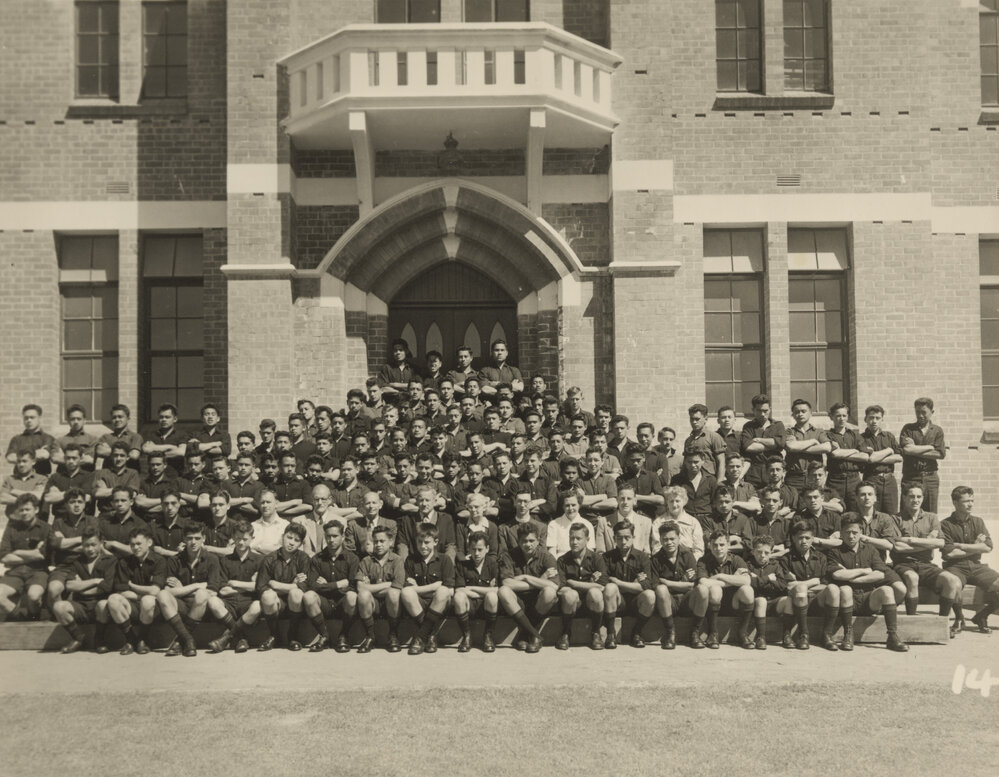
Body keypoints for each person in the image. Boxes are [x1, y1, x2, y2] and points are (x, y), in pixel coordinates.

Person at [827, 515, 908, 652]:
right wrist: (865, 571)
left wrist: (851, 576)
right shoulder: (834, 552)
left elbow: (880, 573)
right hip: (847, 600)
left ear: (861, 532)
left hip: (867, 599)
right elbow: (837, 574)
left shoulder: (870, 550)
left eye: (855, 532)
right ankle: (848, 634)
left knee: (887, 590)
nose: (851, 536)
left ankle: (892, 636)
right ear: (841, 533)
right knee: (846, 589)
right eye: (847, 532)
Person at [891, 483, 961, 618]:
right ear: (904, 498)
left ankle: (942, 622)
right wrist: (928, 542)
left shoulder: (932, 517)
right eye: (911, 496)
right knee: (912, 577)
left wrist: (911, 540)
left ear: (923, 498)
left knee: (951, 580)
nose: (915, 500)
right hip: (903, 564)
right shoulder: (895, 518)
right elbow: (898, 547)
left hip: (926, 565)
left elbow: (941, 542)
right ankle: (912, 620)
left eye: (919, 496)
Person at [156, 522, 224, 657]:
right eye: (189, 538)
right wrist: (196, 586)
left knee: (202, 594)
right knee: (162, 595)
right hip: (181, 605)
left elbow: (212, 591)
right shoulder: (175, 560)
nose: (193, 542)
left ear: (204, 538)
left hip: (202, 607)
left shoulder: (212, 559)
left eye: (197, 538)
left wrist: (183, 589)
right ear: (184, 539)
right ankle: (188, 640)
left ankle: (181, 641)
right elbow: (168, 591)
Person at [940, 485, 999, 637]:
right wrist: (975, 546)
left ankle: (982, 616)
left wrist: (960, 545)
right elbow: (950, 553)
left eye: (972, 500)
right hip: (955, 567)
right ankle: (959, 618)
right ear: (955, 502)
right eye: (966, 501)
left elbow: (988, 547)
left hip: (977, 566)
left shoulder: (978, 522)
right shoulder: (945, 524)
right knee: (954, 584)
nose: (970, 504)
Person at [776, 521, 842, 651]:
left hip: (817, 601)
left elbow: (825, 584)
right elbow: (788, 586)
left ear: (812, 539)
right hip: (796, 603)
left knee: (833, 589)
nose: (804, 541)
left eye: (807, 538)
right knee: (800, 590)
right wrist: (813, 582)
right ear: (794, 538)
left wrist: (801, 584)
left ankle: (827, 635)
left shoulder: (821, 558)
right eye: (800, 538)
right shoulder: (786, 559)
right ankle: (804, 634)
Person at [51, 528, 116, 654]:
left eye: (93, 545)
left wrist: (81, 586)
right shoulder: (77, 561)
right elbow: (69, 585)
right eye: (86, 545)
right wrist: (95, 581)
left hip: (100, 605)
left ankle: (99, 639)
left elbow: (107, 587)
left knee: (103, 605)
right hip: (81, 606)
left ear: (101, 544)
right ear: (82, 545)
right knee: (59, 606)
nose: (90, 549)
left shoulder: (110, 561)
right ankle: (77, 637)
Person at [106, 526, 167, 655]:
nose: (135, 547)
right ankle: (131, 639)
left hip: (153, 609)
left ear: (149, 543)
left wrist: (133, 587)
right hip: (133, 606)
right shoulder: (124, 562)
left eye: (139, 544)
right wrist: (141, 594)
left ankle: (143, 639)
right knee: (113, 600)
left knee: (148, 600)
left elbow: (155, 590)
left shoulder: (159, 561)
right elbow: (122, 591)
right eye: (132, 544)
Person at [303, 521, 360, 653]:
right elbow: (312, 586)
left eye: (335, 536)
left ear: (343, 537)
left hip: (342, 602)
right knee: (308, 596)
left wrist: (325, 585)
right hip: (324, 602)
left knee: (352, 596)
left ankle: (343, 636)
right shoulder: (317, 559)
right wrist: (337, 584)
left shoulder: (352, 559)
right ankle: (324, 636)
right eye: (328, 536)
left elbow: (352, 586)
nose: (331, 540)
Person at [207, 520, 264, 654]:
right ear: (233, 538)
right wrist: (250, 585)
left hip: (248, 602)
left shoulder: (260, 560)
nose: (241, 542)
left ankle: (226, 638)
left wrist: (236, 583)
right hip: (230, 602)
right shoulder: (225, 560)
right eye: (238, 538)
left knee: (257, 606)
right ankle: (241, 638)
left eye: (245, 539)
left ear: (252, 539)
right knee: (213, 601)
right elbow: (223, 590)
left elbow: (260, 587)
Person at [255, 522, 312, 651]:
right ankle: (275, 635)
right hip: (277, 604)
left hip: (297, 605)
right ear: (282, 537)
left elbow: (304, 587)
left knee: (296, 593)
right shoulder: (269, 559)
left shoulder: (304, 559)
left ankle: (293, 636)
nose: (291, 542)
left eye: (296, 540)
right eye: (289, 537)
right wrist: (293, 585)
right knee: (268, 596)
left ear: (301, 544)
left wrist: (275, 584)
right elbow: (261, 587)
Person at [401, 522, 455, 656]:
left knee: (443, 591)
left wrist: (418, 588)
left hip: (439, 604)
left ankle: (419, 637)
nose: (423, 546)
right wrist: (433, 586)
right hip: (419, 604)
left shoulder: (444, 559)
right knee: (406, 592)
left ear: (435, 541)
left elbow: (450, 589)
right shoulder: (410, 560)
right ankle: (431, 636)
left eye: (427, 542)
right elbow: (407, 587)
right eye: (419, 542)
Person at [695, 530, 755, 649]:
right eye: (715, 545)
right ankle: (713, 633)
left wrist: (719, 576)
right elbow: (703, 582)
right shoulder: (703, 561)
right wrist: (733, 580)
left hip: (733, 603)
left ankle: (742, 633)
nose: (718, 548)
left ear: (728, 545)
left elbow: (747, 581)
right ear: (709, 546)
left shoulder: (737, 560)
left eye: (722, 545)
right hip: (712, 604)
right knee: (715, 589)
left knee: (747, 590)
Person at [602, 519, 655, 648]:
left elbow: (646, 585)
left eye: (627, 537)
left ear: (633, 537)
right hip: (617, 602)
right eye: (619, 538)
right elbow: (604, 582)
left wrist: (618, 582)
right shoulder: (607, 557)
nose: (623, 542)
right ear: (614, 538)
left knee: (650, 595)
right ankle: (610, 633)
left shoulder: (642, 557)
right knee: (610, 587)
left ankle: (637, 633)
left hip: (636, 602)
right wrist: (634, 585)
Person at [555, 521, 608, 651]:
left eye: (578, 538)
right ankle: (566, 632)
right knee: (570, 594)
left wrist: (573, 583)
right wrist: (590, 584)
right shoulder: (562, 560)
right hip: (571, 604)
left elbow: (601, 586)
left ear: (587, 540)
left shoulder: (596, 559)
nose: (574, 542)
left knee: (595, 593)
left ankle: (596, 632)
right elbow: (561, 586)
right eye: (571, 538)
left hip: (592, 604)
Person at [650, 520, 703, 649]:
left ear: (679, 538)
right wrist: (682, 583)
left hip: (687, 600)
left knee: (703, 590)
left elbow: (693, 585)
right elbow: (657, 585)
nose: (669, 543)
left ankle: (695, 633)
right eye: (665, 539)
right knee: (662, 590)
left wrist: (668, 582)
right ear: (660, 540)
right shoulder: (655, 560)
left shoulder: (688, 555)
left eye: (672, 539)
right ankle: (670, 633)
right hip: (668, 603)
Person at [0, 493, 52, 620]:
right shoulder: (12, 528)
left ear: (36, 509)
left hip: (37, 572)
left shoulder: (46, 528)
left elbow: (42, 555)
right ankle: (19, 618)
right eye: (21, 510)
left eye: (27, 509)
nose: (24, 513)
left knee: (34, 596)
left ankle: (33, 618)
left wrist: (17, 552)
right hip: (15, 572)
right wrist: (33, 553)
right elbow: (3, 556)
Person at [355, 525, 406, 653]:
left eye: (382, 541)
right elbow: (360, 587)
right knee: (363, 595)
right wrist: (387, 584)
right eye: (375, 541)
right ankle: (370, 636)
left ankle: (393, 634)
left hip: (393, 604)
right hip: (373, 604)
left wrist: (370, 587)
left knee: (394, 593)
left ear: (390, 542)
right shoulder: (366, 561)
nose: (378, 545)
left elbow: (398, 585)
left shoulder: (397, 560)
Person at [45, 487, 99, 607]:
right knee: (54, 589)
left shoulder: (92, 521)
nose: (76, 505)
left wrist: (64, 543)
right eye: (72, 502)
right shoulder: (58, 522)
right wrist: (83, 539)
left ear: (85, 504)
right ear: (65, 504)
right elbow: (55, 544)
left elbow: (94, 545)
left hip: (86, 565)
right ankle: (59, 617)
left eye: (80, 502)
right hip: (63, 566)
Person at [453, 531, 500, 653]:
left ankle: (488, 636)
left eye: (480, 549)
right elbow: (459, 589)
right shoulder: (462, 565)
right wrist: (486, 590)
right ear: (469, 549)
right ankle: (467, 636)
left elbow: (497, 590)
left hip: (487, 606)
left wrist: (471, 588)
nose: (476, 553)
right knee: (458, 597)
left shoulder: (493, 564)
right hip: (469, 606)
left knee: (492, 596)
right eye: (473, 549)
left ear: (487, 548)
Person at [899, 398, 946, 513]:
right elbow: (906, 450)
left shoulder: (937, 431)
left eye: (924, 412)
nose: (920, 415)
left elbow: (940, 454)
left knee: (930, 513)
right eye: (917, 412)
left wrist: (915, 450)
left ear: (932, 412)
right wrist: (930, 447)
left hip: (931, 478)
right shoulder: (908, 429)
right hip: (911, 477)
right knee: (907, 512)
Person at [859, 405, 903, 514]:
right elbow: (869, 459)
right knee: (872, 513)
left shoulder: (889, 436)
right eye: (871, 418)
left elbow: (899, 457)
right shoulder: (860, 438)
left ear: (882, 419)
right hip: (871, 479)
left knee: (892, 515)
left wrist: (875, 457)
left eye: (877, 418)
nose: (874, 421)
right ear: (865, 419)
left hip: (889, 480)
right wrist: (888, 451)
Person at [745, 535, 786, 650]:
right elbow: (750, 583)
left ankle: (787, 635)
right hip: (755, 603)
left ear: (771, 552)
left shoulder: (776, 566)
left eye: (766, 553)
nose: (762, 555)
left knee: (788, 601)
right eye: (759, 552)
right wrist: (769, 579)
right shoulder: (748, 565)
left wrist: (758, 579)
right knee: (761, 601)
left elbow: (783, 586)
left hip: (772, 601)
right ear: (753, 551)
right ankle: (761, 637)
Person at [825, 403, 865, 513]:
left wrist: (843, 453)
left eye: (844, 415)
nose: (841, 419)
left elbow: (865, 456)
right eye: (838, 416)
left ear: (847, 416)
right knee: (835, 511)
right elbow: (834, 454)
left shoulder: (855, 435)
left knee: (855, 510)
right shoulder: (827, 435)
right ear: (831, 417)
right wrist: (854, 451)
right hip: (835, 479)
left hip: (854, 478)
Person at [740, 394, 786, 489]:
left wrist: (759, 440)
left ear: (770, 409)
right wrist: (773, 444)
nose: (762, 414)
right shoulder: (748, 426)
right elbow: (748, 447)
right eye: (759, 411)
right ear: (753, 410)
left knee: (774, 498)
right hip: (754, 471)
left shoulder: (778, 425)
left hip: (774, 470)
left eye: (765, 411)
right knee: (754, 498)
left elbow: (781, 443)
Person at [784, 398, 831, 492]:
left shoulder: (819, 432)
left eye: (803, 411)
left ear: (810, 413)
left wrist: (799, 447)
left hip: (813, 477)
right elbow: (791, 447)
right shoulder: (789, 431)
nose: (800, 414)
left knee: (813, 503)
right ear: (792, 415)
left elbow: (827, 447)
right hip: (794, 477)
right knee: (794, 504)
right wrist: (813, 441)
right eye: (797, 412)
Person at [650, 486, 704, 559]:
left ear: (684, 502)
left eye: (677, 501)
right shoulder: (659, 522)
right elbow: (656, 548)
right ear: (667, 502)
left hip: (688, 563)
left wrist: (690, 563)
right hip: (665, 563)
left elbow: (699, 549)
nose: (674, 505)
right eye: (671, 501)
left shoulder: (693, 522)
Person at [5, 404, 58, 476]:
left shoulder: (48, 438)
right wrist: (36, 454)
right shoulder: (16, 439)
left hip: (41, 479)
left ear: (39, 418)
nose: (29, 420)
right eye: (26, 418)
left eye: (32, 417)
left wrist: (20, 456)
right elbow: (10, 457)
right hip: (19, 479)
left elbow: (44, 454)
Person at [141, 403, 189, 476]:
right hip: (154, 479)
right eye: (161, 417)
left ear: (175, 419)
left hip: (175, 478)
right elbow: (146, 449)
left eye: (167, 417)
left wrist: (155, 448)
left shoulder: (181, 435)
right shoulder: (151, 435)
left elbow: (181, 452)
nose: (163, 420)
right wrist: (172, 447)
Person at [2, 450, 48, 522]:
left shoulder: (42, 479)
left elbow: (38, 496)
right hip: (13, 524)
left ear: (33, 462)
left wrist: (14, 491)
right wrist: (29, 500)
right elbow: (2, 498)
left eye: (24, 461)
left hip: (34, 524)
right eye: (19, 461)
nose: (21, 464)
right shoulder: (10, 479)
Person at [671, 450, 716, 522]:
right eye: (689, 462)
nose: (693, 465)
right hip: (685, 518)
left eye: (696, 462)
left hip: (707, 519)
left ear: (703, 461)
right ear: (685, 462)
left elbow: (715, 502)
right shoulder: (677, 480)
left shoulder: (711, 480)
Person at [95, 404, 143, 471]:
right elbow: (100, 451)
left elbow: (134, 455)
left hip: (129, 476)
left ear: (128, 418)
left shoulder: (135, 437)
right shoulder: (105, 437)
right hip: (109, 475)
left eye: (120, 417)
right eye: (114, 417)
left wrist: (110, 451)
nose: (117, 419)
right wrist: (125, 452)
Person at [683, 404, 726, 477]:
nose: (694, 422)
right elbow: (685, 463)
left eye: (697, 419)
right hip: (692, 479)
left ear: (705, 419)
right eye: (692, 419)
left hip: (708, 479)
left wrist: (720, 481)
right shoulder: (688, 440)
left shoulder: (714, 437)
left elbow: (721, 461)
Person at [54, 404, 97, 468]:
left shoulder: (92, 440)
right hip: (64, 475)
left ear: (84, 420)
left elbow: (89, 459)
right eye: (72, 419)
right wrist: (80, 458)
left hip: (86, 475)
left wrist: (65, 458)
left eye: (79, 419)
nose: (76, 422)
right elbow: (55, 458)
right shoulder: (60, 441)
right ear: (68, 421)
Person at [249, 490, 290, 555]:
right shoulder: (253, 526)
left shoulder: (285, 525)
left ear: (276, 504)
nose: (265, 505)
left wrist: (258, 548)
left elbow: (287, 550)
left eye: (268, 502)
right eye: (262, 502)